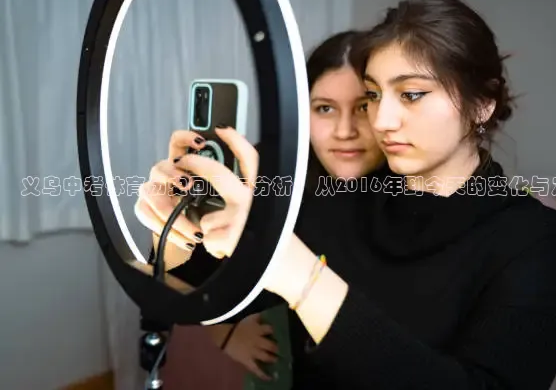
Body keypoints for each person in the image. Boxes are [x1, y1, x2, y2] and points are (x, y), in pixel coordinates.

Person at [136, 0, 556, 390]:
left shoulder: (537, 241)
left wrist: (302, 276)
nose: (381, 121)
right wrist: (174, 228)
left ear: (482, 103)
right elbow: (206, 297)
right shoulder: (339, 199)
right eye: (374, 96)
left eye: (411, 94)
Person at [137, 30, 385, 384]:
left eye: (362, 107)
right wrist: (223, 331)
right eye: (325, 108)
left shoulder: (412, 182)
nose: (345, 131)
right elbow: (180, 276)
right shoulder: (267, 171)